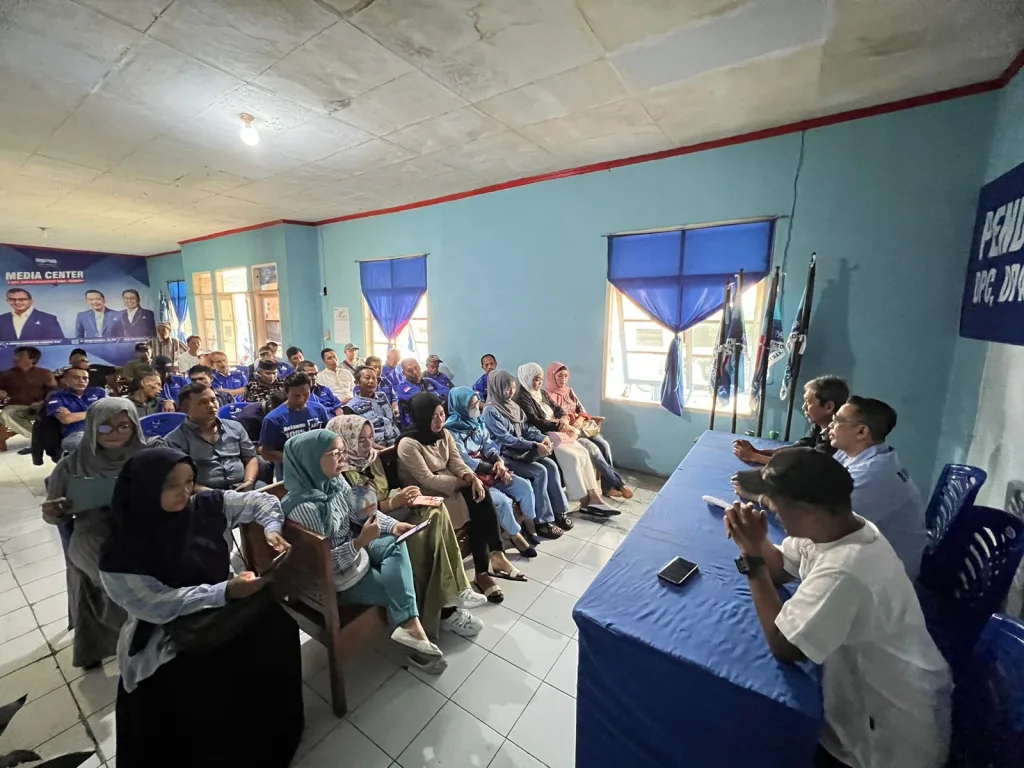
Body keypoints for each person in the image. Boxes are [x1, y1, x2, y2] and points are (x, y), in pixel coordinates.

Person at [724, 447, 951, 768]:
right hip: (879, 702)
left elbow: (784, 645)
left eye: (776, 502)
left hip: (887, 742)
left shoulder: (846, 567)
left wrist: (751, 559)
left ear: (806, 510)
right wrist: (757, 542)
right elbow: (780, 569)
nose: (771, 508)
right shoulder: (842, 528)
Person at [99, 448, 304, 767]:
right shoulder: (122, 550)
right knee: (199, 685)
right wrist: (225, 591)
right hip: (170, 629)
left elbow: (261, 501)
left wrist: (271, 529)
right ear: (144, 488)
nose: (184, 492)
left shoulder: (203, 507)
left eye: (190, 482)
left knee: (279, 629)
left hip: (226, 607)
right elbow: (158, 605)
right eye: (171, 485)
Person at [282, 430, 444, 659]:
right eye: (334, 453)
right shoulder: (303, 508)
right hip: (338, 577)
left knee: (395, 543)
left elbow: (362, 513)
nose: (341, 457)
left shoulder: (334, 482)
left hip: (358, 552)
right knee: (407, 583)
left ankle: (411, 626)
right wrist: (359, 543)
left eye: (341, 451)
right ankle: (416, 632)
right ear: (311, 459)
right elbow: (324, 564)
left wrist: (393, 526)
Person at [327, 415, 486, 639]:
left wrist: (407, 496)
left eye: (371, 437)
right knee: (423, 541)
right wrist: (394, 502)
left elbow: (388, 490)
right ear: (345, 440)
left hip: (390, 516)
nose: (368, 444)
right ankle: (446, 610)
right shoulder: (339, 471)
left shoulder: (373, 458)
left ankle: (458, 592)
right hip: (368, 532)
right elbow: (360, 515)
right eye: (360, 440)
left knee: (436, 511)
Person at [397, 392, 527, 603]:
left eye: (441, 414)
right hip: (425, 496)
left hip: (451, 486)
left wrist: (472, 477)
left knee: (480, 495)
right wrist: (465, 482)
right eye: (433, 417)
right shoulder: (408, 444)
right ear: (421, 417)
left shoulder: (444, 434)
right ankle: (485, 570)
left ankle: (494, 558)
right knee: (474, 506)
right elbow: (427, 479)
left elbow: (456, 461)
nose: (439, 421)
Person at [43, 399, 145, 669]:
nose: (115, 433)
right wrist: (54, 511)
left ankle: (154, 631)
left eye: (124, 426)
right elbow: (54, 515)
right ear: (91, 428)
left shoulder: (147, 456)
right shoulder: (71, 465)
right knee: (115, 577)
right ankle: (134, 640)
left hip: (143, 525)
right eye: (105, 428)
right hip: (93, 530)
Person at [828, 396, 927, 579]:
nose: (830, 426)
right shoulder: (850, 454)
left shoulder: (873, 474)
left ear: (861, 432)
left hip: (887, 579)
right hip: (867, 556)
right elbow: (816, 478)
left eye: (838, 421)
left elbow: (822, 521)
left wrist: (765, 497)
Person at [445, 386, 540, 557]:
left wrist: (498, 461)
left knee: (524, 486)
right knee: (502, 501)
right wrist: (495, 470)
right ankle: (515, 535)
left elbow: (488, 444)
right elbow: (464, 460)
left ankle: (529, 523)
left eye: (476, 404)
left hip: (492, 467)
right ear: (460, 406)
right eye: (471, 406)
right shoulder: (450, 430)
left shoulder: (477, 422)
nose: (476, 408)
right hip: (472, 474)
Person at [515, 363, 618, 517]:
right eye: (535, 380)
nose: (539, 383)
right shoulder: (523, 398)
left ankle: (595, 497)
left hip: (560, 431)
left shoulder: (541, 393)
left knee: (583, 453)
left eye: (541, 379)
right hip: (546, 435)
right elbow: (535, 421)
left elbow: (558, 409)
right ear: (526, 378)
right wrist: (559, 425)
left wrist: (563, 419)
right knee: (572, 458)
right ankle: (584, 500)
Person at [483, 370, 568, 539]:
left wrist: (541, 437)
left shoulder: (513, 406)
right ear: (498, 388)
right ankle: (541, 521)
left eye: (513, 387)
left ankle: (559, 511)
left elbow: (527, 428)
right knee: (539, 472)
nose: (511, 392)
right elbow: (506, 439)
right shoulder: (491, 411)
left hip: (520, 451)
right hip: (504, 455)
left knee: (551, 465)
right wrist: (534, 445)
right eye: (507, 388)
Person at [544, 361, 630, 499]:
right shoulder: (546, 396)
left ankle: (607, 488)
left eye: (566, 376)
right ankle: (618, 484)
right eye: (559, 376)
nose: (563, 379)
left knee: (604, 445)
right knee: (594, 450)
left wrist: (580, 419)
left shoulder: (569, 391)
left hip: (583, 427)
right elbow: (553, 419)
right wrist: (571, 423)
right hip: (570, 433)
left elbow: (581, 410)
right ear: (551, 376)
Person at [165, 383, 263, 491]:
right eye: (203, 402)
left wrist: (249, 481)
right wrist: (216, 495)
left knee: (271, 496)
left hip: (242, 486)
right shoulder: (175, 440)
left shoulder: (235, 427)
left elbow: (250, 458)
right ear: (185, 409)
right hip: (204, 494)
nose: (211, 405)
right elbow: (181, 479)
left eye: (213, 400)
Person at [734, 376, 849, 464]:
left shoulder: (837, 438)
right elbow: (798, 449)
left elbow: (806, 468)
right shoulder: (820, 425)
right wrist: (758, 452)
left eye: (808, 402)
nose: (804, 407)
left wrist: (753, 457)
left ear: (828, 407)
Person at [259, 371, 330, 478]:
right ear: (286, 393)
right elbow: (266, 452)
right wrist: (293, 459)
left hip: (319, 470)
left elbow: (328, 438)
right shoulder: (273, 419)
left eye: (306, 394)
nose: (301, 399)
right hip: (291, 475)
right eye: (296, 396)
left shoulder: (319, 409)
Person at [0, 346, 56, 442]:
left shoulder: (45, 373)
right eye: (16, 355)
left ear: (32, 359)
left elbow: (54, 391)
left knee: (58, 410)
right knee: (6, 414)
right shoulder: (6, 375)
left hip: (41, 405)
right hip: (17, 406)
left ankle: (43, 439)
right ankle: (39, 439)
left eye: (20, 355)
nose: (15, 358)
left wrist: (44, 401)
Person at [47, 366, 106, 453]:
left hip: (104, 430)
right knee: (92, 448)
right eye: (76, 378)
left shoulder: (98, 392)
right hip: (76, 434)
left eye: (85, 378)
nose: (81, 380)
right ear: (65, 381)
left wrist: (74, 415)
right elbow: (66, 419)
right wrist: (96, 411)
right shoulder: (57, 396)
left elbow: (109, 412)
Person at [348, 365, 400, 446]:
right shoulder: (350, 407)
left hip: (397, 442)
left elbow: (391, 422)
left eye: (374, 378)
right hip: (377, 449)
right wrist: (385, 450)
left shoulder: (382, 396)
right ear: (357, 382)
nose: (371, 381)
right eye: (367, 378)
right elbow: (358, 439)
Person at [396, 358, 437, 429]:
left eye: (416, 368)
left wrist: (437, 396)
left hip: (432, 422)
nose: (414, 372)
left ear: (420, 367)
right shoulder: (402, 387)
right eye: (410, 371)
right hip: (414, 428)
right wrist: (438, 397)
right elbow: (422, 399)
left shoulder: (428, 381)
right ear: (403, 373)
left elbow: (447, 391)